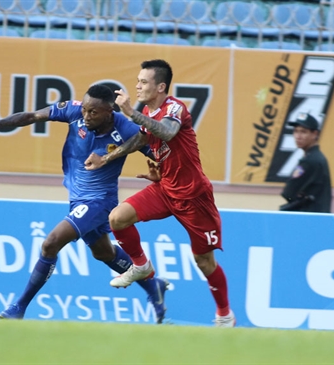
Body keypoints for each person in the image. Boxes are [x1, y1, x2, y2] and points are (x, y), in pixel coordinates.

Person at [0, 84, 170, 323]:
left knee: (50, 244)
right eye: (85, 109)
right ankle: (154, 286)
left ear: (109, 111)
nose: (86, 115)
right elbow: (31, 116)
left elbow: (160, 153)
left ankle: (18, 307)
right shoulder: (73, 111)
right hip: (77, 198)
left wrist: (160, 172)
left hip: (99, 201)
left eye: (94, 112)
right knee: (103, 252)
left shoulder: (127, 130)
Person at [84, 60, 235, 327]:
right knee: (118, 218)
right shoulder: (147, 112)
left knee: (204, 261)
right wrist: (107, 159)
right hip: (165, 188)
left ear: (160, 86)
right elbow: (142, 139)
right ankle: (141, 266)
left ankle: (224, 314)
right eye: (138, 80)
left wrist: (131, 112)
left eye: (143, 81)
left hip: (193, 196)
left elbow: (166, 131)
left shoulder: (175, 108)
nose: (138, 85)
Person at [280, 113, 332, 213]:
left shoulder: (310, 161)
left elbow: (288, 193)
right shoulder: (317, 158)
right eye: (296, 131)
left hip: (308, 218)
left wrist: (295, 200)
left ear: (314, 134)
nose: (298, 136)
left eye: (303, 132)